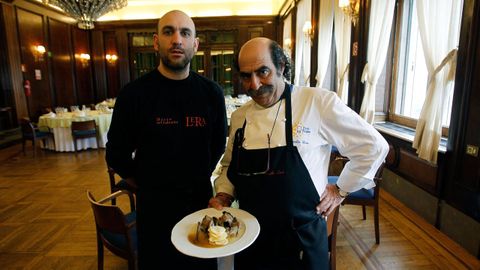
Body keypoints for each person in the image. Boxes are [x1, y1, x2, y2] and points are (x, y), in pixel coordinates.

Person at [209, 37, 389, 269]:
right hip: (251, 237)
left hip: (301, 238)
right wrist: (224, 195)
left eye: (262, 72)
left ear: (281, 67)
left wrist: (340, 189)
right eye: (246, 76)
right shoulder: (240, 117)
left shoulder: (317, 102)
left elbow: (373, 146)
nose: (254, 84)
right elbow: (229, 166)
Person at [106, 10, 227, 269]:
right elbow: (116, 153)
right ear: (155, 41)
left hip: (199, 204)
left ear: (194, 44)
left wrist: (195, 175)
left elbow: (218, 144)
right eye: (168, 31)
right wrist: (147, 183)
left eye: (185, 33)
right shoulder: (133, 95)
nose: (177, 40)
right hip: (154, 209)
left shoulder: (211, 93)